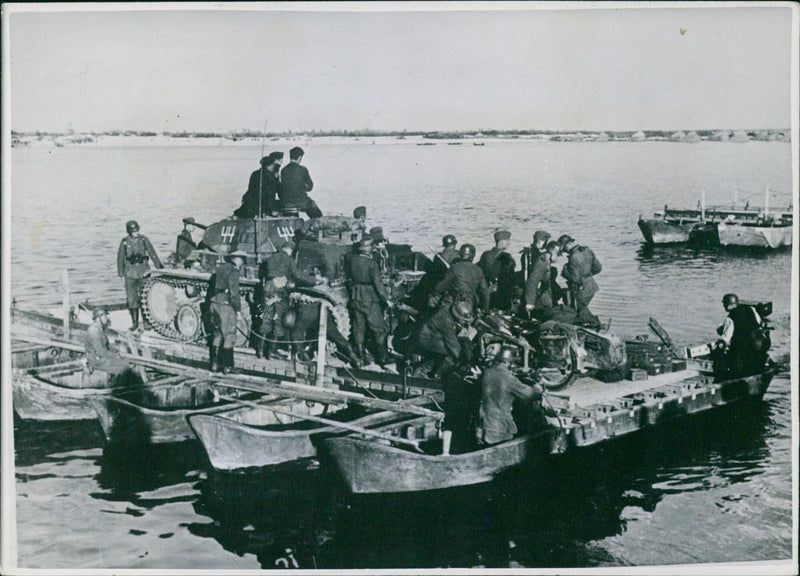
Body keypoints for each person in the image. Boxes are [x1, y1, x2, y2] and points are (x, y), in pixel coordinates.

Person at [257, 240, 317, 359]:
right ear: (290, 250)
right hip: (279, 291)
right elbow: (298, 275)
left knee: (266, 319)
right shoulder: (289, 259)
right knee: (279, 320)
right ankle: (271, 351)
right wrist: (314, 280)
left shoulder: (271, 258)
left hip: (267, 289)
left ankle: (260, 350)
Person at [475, 347, 544, 446]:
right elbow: (530, 395)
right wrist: (537, 383)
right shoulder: (509, 379)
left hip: (481, 426)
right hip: (498, 429)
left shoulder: (487, 372)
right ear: (510, 363)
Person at [345, 237, 392, 366]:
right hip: (369, 299)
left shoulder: (352, 260)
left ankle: (360, 355)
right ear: (369, 249)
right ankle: (383, 358)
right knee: (378, 328)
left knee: (358, 327)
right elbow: (378, 285)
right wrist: (387, 300)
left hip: (355, 296)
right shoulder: (372, 264)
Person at [117, 220, 163, 332]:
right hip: (130, 273)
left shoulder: (143, 240)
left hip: (144, 272)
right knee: (132, 299)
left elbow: (152, 253)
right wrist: (121, 275)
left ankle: (147, 323)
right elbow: (120, 259)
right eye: (133, 231)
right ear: (129, 232)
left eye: (137, 230)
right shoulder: (124, 242)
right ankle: (135, 323)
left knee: (145, 297)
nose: (136, 233)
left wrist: (160, 267)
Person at [713, 293, 770, 380]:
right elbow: (760, 323)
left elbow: (726, 338)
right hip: (762, 343)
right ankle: (763, 363)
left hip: (747, 347)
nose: (723, 306)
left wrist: (720, 344)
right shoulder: (751, 309)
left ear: (728, 305)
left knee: (735, 362)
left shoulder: (730, 318)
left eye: (724, 304)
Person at [208, 250, 247, 373]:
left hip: (214, 304)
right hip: (225, 306)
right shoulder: (234, 271)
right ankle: (228, 367)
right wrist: (238, 311)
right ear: (238, 259)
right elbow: (234, 293)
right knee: (229, 335)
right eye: (243, 260)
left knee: (218, 334)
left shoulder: (221, 268)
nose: (243, 263)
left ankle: (214, 365)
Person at [416, 301, 475, 377]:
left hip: (435, 332)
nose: (465, 322)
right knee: (448, 352)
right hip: (427, 337)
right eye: (463, 320)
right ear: (457, 315)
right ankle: (423, 369)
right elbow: (453, 345)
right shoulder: (447, 321)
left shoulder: (450, 309)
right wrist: (464, 360)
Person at [431, 243, 490, 313]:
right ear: (473, 256)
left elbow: (440, 287)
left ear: (460, 254)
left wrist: (433, 293)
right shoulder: (479, 270)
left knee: (433, 322)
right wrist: (485, 309)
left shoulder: (455, 267)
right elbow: (484, 292)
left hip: (453, 304)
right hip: (471, 305)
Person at [84, 307, 135, 378]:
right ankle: (116, 383)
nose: (106, 318)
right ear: (98, 318)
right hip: (96, 360)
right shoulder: (93, 332)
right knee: (125, 366)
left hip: (101, 358)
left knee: (127, 362)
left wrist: (118, 347)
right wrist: (116, 355)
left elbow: (106, 345)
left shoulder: (100, 329)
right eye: (104, 316)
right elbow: (101, 352)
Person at [233, 152, 283, 218]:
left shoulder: (255, 173)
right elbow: (270, 195)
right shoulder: (270, 177)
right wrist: (272, 211)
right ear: (270, 165)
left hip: (249, 205)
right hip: (262, 207)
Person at [560, 235, 602, 311]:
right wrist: (587, 275)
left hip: (581, 291)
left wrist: (565, 272)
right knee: (582, 309)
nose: (565, 251)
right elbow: (598, 268)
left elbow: (575, 279)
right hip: (591, 287)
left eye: (564, 249)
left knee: (576, 311)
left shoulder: (573, 256)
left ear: (568, 245)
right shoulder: (587, 250)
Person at [279, 146, 323, 218]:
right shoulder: (303, 169)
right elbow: (310, 187)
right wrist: (302, 187)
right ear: (299, 157)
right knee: (317, 214)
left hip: (287, 202)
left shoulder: (283, 170)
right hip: (301, 201)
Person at [478, 230, 516, 311]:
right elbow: (510, 277)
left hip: (486, 290)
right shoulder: (506, 257)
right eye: (508, 240)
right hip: (500, 293)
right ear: (502, 242)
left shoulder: (486, 254)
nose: (509, 243)